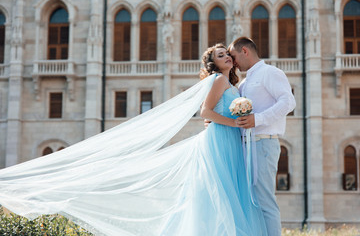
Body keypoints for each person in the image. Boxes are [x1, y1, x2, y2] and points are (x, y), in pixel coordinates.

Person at [0, 44, 267, 236]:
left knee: (227, 192)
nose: (228, 59)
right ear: (214, 64)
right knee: (219, 193)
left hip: (229, 140)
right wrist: (234, 121)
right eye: (221, 56)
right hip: (220, 140)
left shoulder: (232, 84)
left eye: (228, 55)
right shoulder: (219, 80)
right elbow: (205, 113)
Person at [229, 37, 296, 236]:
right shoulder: (244, 82)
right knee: (252, 202)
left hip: (264, 144)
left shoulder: (270, 73)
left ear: (245, 51)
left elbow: (288, 102)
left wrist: (257, 119)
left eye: (234, 57)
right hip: (246, 147)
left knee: (266, 202)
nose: (233, 62)